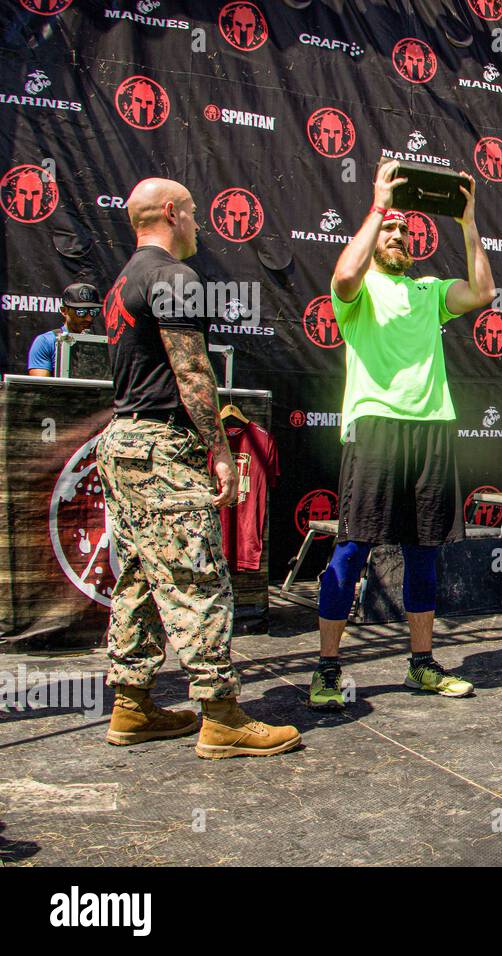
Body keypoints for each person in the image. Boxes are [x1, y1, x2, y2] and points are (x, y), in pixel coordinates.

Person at [98, 178, 300, 758]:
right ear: (171, 213)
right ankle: (221, 715)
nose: (197, 225)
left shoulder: (124, 280)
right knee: (196, 578)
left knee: (139, 576)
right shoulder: (173, 277)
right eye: (191, 213)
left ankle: (132, 705)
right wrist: (219, 450)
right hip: (162, 447)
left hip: (124, 442)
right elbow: (191, 374)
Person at [308, 160, 495, 710]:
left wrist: (466, 221)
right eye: (391, 229)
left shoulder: (430, 290)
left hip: (431, 427)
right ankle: (326, 669)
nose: (399, 236)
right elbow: (342, 277)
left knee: (422, 554)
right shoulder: (359, 290)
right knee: (352, 548)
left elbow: (483, 292)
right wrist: (379, 206)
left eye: (406, 232)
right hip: (375, 429)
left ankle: (421, 665)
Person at [27, 282, 101, 375]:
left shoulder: (100, 346)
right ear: (64, 311)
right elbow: (41, 386)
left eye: (94, 312)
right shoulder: (46, 342)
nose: (89, 318)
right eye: (81, 312)